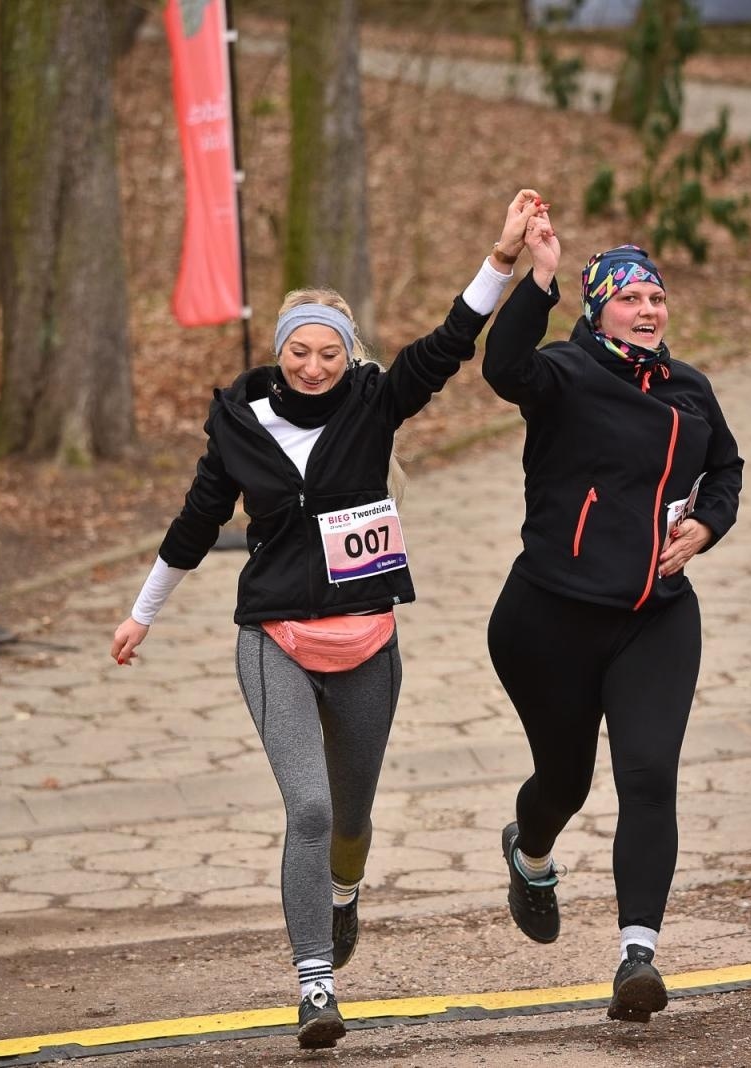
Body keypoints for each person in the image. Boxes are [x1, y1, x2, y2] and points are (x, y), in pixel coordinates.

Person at [109, 192, 544, 1050]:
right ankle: (315, 985)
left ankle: (344, 891)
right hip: (275, 638)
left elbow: (452, 342)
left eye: (328, 353)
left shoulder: (374, 403)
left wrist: (501, 259)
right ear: (280, 354)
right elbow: (198, 522)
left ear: (350, 357)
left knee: (349, 820)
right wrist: (140, 614)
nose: (313, 367)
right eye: (299, 353)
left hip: (368, 640)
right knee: (306, 809)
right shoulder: (241, 423)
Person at [481, 211, 743, 1024]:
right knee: (567, 780)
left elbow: (726, 468)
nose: (647, 307)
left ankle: (638, 956)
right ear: (597, 310)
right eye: (628, 296)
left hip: (654, 618)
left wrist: (709, 524)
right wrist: (539, 277)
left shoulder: (690, 388)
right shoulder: (562, 372)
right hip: (548, 619)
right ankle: (529, 854)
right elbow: (502, 367)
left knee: (647, 775)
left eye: (655, 295)